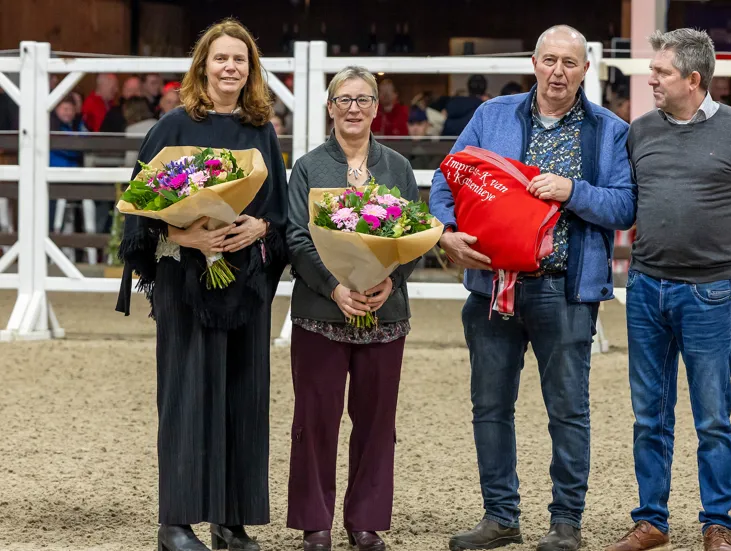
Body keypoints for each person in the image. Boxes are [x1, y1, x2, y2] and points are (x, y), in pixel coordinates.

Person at [429, 24, 636, 551]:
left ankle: (565, 523)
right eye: (550, 61)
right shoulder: (491, 116)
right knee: (490, 406)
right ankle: (501, 516)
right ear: (534, 62)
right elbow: (445, 178)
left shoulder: (609, 130)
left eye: (570, 63)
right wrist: (447, 234)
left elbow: (625, 206)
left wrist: (574, 191)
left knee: (567, 411)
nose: (558, 72)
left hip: (564, 289)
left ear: (587, 69)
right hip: (490, 288)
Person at [114, 18, 289, 551]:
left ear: (250, 70)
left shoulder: (262, 131)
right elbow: (140, 214)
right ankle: (176, 522)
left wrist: (259, 227)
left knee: (243, 396)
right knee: (187, 395)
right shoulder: (171, 127)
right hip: (185, 283)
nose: (230, 67)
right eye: (221, 58)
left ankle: (231, 521)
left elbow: (279, 213)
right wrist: (187, 236)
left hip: (244, 287)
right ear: (203, 67)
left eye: (240, 59)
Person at [604, 29, 731, 551]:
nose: (651, 78)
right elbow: (626, 201)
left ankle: (717, 523)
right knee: (648, 413)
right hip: (646, 288)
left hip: (709, 292)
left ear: (693, 78)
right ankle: (652, 521)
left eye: (661, 72)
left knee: (712, 415)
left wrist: (726, 254)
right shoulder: (639, 132)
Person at [285, 65, 420, 551]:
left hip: (385, 314)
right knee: (315, 419)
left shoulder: (397, 168)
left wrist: (392, 279)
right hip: (322, 313)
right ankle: (314, 520)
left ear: (376, 108)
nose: (354, 108)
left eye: (363, 100)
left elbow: (413, 236)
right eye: (344, 99)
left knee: (377, 421)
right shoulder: (308, 168)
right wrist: (333, 288)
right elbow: (297, 239)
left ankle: (365, 519)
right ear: (329, 107)